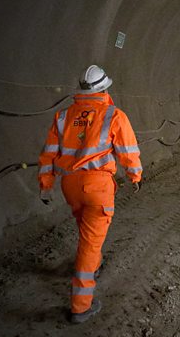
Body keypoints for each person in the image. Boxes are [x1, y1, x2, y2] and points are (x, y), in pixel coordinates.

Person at [38, 65, 142, 323]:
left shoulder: (63, 117)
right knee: (90, 243)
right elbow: (128, 152)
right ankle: (80, 306)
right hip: (97, 186)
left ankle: (94, 264)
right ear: (105, 88)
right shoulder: (114, 115)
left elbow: (49, 153)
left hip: (70, 186)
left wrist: (46, 183)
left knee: (86, 231)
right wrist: (135, 176)